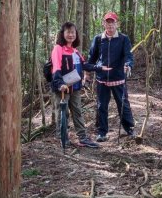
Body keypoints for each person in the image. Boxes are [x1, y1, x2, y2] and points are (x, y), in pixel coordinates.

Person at [86, 11, 135, 143]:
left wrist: (128, 65)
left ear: (117, 24)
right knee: (102, 105)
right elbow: (92, 57)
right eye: (107, 23)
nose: (110, 26)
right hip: (102, 78)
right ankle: (102, 132)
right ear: (103, 24)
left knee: (123, 104)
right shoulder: (98, 39)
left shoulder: (124, 38)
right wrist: (87, 73)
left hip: (118, 77)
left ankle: (129, 128)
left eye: (112, 23)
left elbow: (128, 56)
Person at [51, 21, 99, 149]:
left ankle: (83, 138)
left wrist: (99, 67)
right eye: (68, 32)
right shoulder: (58, 49)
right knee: (63, 113)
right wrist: (59, 83)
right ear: (63, 34)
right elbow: (56, 67)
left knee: (77, 112)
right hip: (62, 88)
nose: (71, 35)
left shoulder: (75, 51)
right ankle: (63, 138)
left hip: (75, 88)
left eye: (73, 32)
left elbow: (84, 65)